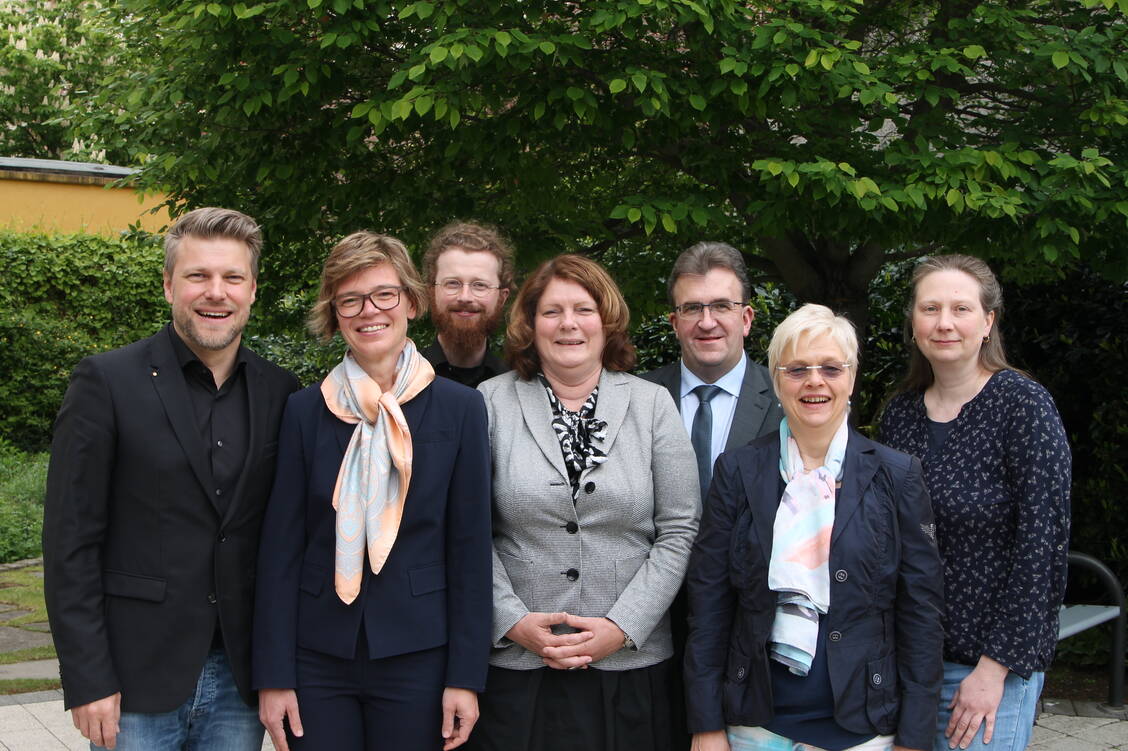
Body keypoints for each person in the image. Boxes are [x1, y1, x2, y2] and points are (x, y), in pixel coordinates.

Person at [42, 207, 300, 750]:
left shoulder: (283, 393)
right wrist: (88, 678)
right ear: (168, 285)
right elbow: (70, 542)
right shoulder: (106, 382)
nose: (216, 292)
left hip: (239, 678)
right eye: (197, 276)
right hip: (133, 679)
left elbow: (286, 541)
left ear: (253, 289)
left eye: (232, 277)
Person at [253, 232, 493, 751]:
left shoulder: (461, 409)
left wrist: (466, 677)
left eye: (384, 294)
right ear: (334, 312)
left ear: (410, 301)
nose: (369, 311)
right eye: (350, 299)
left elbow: (471, 550)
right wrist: (273, 675)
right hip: (316, 654)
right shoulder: (303, 411)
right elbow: (280, 550)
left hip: (421, 652)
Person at [686, 303, 944, 751]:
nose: (814, 381)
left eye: (830, 367)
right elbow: (709, 603)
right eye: (797, 369)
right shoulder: (739, 471)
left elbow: (921, 614)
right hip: (755, 727)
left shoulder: (897, 475)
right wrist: (706, 725)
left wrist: (915, 736)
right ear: (776, 378)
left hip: (865, 728)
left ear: (852, 376)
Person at [470, 254, 700, 751]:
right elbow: (465, 531)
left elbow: (680, 528)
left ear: (607, 320)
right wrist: (510, 620)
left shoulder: (653, 404)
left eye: (583, 309)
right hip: (519, 667)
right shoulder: (488, 403)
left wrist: (623, 626)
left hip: (630, 669)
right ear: (530, 325)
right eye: (552, 311)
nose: (568, 324)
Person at [879, 255, 1071, 751]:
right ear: (914, 322)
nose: (944, 323)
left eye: (961, 309)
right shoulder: (900, 415)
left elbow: (1042, 551)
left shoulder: (1024, 407)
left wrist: (994, 670)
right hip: (906, 664)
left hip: (987, 671)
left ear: (988, 321)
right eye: (930, 308)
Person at [641, 241, 782, 499]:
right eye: (692, 308)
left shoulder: (785, 399)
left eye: (721, 306)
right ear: (674, 323)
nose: (707, 323)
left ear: (746, 319)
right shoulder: (636, 400)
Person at [420, 220, 514, 387]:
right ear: (431, 292)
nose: (465, 297)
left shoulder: (516, 387)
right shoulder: (402, 378)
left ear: (502, 298)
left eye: (480, 285)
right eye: (452, 283)